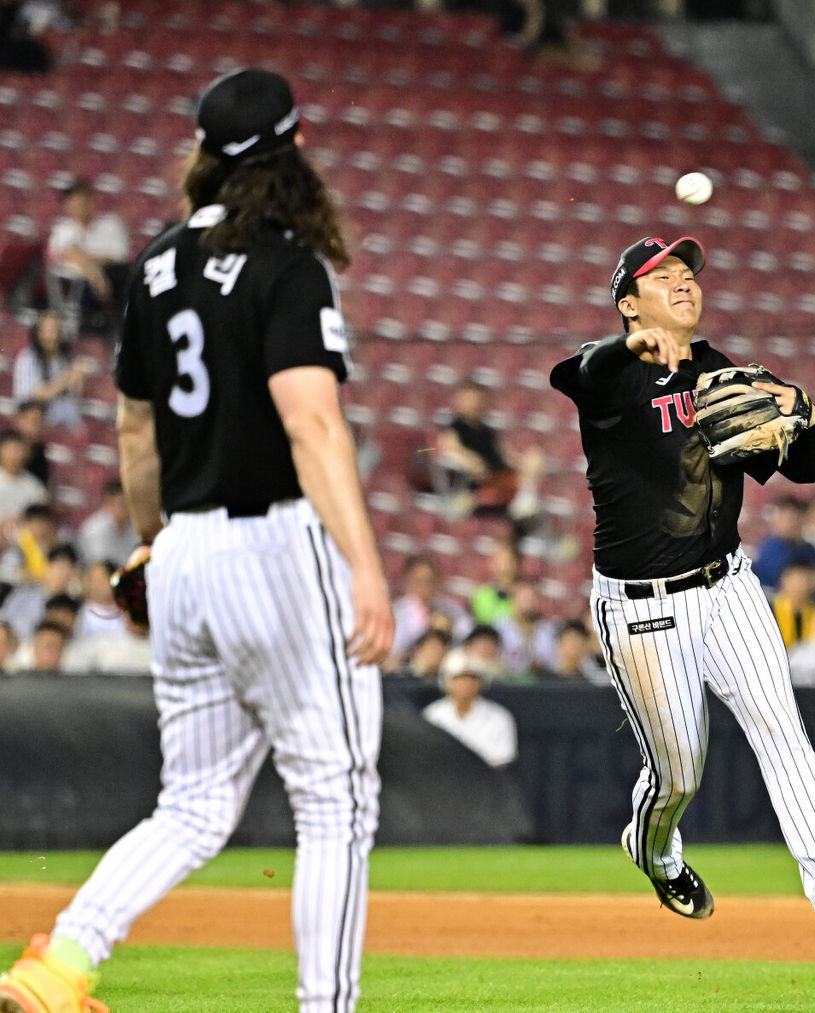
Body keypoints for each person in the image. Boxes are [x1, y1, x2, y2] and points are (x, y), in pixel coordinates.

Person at [0, 67, 394, 1013]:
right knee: (336, 800)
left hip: (183, 550)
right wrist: (368, 568)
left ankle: (55, 969)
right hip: (277, 545)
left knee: (193, 803)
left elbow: (136, 433)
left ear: (206, 160)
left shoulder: (157, 262)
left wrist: (154, 547)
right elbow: (311, 422)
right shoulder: (289, 262)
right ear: (294, 151)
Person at [550, 233, 815, 946]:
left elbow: (806, 469)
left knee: (780, 729)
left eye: (687, 273)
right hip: (641, 605)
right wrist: (628, 347)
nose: (682, 281)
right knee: (678, 775)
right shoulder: (608, 378)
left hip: (727, 585)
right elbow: (569, 373)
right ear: (627, 302)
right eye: (661, 275)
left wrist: (806, 414)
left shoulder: (719, 373)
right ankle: (653, 849)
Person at [434, 378, 544, 531]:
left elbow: (506, 455)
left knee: (534, 458)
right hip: (481, 483)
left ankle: (525, 503)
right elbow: (449, 449)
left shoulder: (487, 431)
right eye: (470, 400)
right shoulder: (453, 428)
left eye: (478, 400)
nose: (474, 404)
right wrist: (470, 461)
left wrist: (523, 462)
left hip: (501, 476)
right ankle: (523, 504)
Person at [45, 177, 131, 336]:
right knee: (83, 289)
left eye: (84, 201)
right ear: (67, 205)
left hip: (113, 278)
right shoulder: (62, 229)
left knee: (127, 278)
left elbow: (118, 256)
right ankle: (89, 337)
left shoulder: (111, 224)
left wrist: (92, 267)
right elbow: (69, 255)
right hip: (79, 285)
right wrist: (95, 275)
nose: (81, 206)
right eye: (75, 202)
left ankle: (127, 328)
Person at [422, 644, 517, 768]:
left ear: (480, 683)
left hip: (485, 783)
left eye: (471, 678)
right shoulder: (432, 715)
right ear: (447, 682)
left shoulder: (499, 717)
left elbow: (501, 763)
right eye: (459, 678)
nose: (465, 684)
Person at [387, 553, 472, 671]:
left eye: (430, 581)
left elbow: (467, 635)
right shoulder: (398, 613)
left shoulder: (450, 610)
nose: (424, 587)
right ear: (408, 581)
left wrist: (449, 631)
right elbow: (392, 654)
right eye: (419, 580)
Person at [12, 309, 87, 428]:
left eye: (56, 328)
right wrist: (66, 380)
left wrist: (79, 380)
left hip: (67, 423)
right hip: (38, 422)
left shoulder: (64, 359)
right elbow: (33, 395)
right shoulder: (27, 358)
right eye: (49, 329)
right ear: (38, 332)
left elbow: (76, 395)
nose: (53, 333)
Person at [751, 494, 815, 594]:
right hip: (770, 598)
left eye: (798, 519)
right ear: (778, 520)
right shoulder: (770, 546)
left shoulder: (806, 547)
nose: (794, 524)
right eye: (790, 519)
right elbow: (781, 582)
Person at [76, 479, 139, 567]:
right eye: (122, 504)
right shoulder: (94, 531)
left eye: (130, 504)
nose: (127, 510)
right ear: (109, 504)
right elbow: (98, 567)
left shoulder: (135, 529)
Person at [0, 431, 49, 525]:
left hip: (25, 537)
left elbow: (40, 519)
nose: (14, 456)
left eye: (18, 450)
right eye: (10, 450)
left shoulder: (34, 485)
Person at [10, 399, 51, 487]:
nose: (34, 424)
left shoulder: (40, 453)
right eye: (31, 419)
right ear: (17, 420)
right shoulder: (3, 445)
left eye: (39, 420)